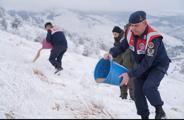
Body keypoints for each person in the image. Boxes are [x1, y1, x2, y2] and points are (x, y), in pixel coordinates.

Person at [104, 11, 171, 119]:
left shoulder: (152, 39)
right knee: (137, 90)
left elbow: (147, 63)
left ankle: (160, 111)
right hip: (142, 64)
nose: (133, 28)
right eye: (132, 25)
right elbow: (121, 47)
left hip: (157, 65)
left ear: (145, 23)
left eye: (136, 25)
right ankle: (144, 116)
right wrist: (111, 53)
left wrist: (129, 74)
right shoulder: (129, 32)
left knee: (148, 87)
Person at [112, 26, 134, 100]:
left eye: (115, 34)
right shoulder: (116, 43)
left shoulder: (126, 40)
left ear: (119, 33)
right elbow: (117, 56)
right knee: (122, 80)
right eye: (113, 34)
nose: (114, 35)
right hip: (122, 65)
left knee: (131, 82)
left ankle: (133, 98)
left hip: (130, 64)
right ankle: (123, 96)